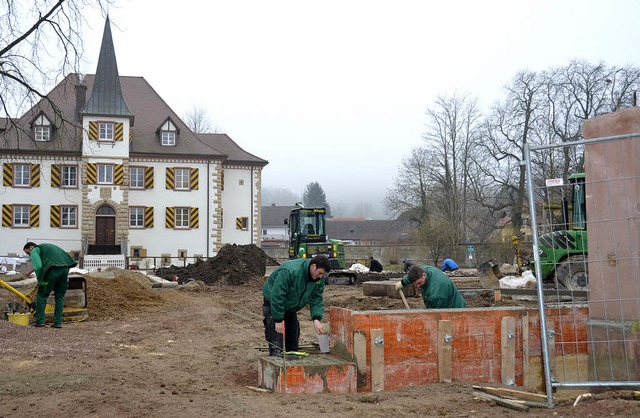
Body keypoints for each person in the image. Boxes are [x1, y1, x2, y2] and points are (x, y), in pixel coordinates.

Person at [262, 254, 331, 356]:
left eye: (323, 274)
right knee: (276, 334)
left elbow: (316, 298)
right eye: (320, 273)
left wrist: (316, 318)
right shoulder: (290, 272)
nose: (321, 276)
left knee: (293, 333)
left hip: (291, 304)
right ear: (313, 266)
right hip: (273, 300)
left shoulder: (318, 280)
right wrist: (278, 320)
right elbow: (277, 295)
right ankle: (275, 358)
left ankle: (292, 358)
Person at [23, 242, 78, 328]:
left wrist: (40, 279)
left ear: (31, 247)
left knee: (42, 295)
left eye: (27, 253)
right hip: (65, 268)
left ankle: (40, 321)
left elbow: (38, 267)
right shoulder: (47, 248)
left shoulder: (35, 250)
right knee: (59, 296)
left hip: (53, 269)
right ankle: (58, 322)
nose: (29, 255)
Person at [395, 264, 466, 309]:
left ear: (424, 275)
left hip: (455, 310)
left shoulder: (435, 293)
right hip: (443, 302)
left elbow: (435, 315)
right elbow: (411, 276)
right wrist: (403, 282)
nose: (418, 286)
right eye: (415, 284)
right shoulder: (423, 270)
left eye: (419, 283)